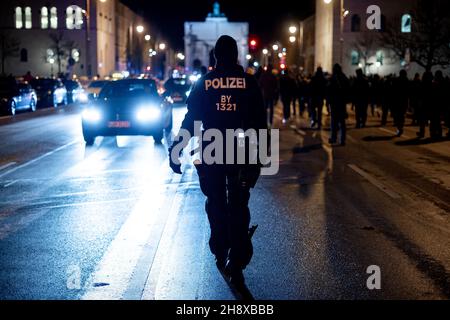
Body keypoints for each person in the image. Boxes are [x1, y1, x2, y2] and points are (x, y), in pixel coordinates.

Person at [168, 35, 267, 291]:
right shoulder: (248, 83)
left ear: (215, 57)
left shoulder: (205, 83)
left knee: (216, 204)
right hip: (242, 154)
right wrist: (261, 157)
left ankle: (221, 249)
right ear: (235, 56)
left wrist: (177, 150)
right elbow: (259, 122)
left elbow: (191, 118)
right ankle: (238, 259)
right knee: (239, 205)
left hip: (211, 153)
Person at [328, 64, 350, 146]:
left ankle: (334, 138)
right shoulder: (344, 78)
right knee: (342, 122)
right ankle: (342, 139)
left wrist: (328, 102)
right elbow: (348, 89)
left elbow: (329, 91)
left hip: (334, 102)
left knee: (334, 122)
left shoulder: (333, 78)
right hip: (341, 102)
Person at [391, 70, 410, 137]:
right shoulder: (407, 81)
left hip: (397, 101)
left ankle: (399, 127)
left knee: (397, 115)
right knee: (401, 115)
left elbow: (393, 91)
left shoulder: (396, 80)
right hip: (403, 101)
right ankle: (400, 127)